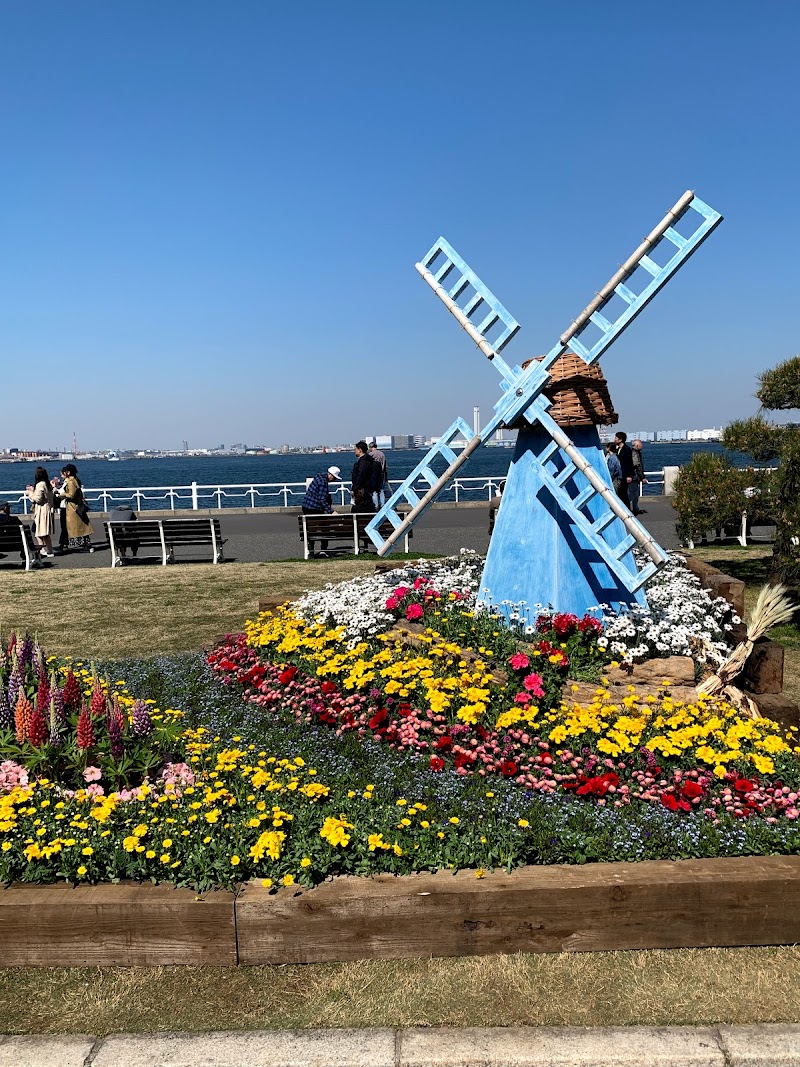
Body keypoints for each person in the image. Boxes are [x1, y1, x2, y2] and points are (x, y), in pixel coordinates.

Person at [301, 466, 342, 558]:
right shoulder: (323, 483)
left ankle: (310, 551)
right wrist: (331, 511)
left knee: (310, 530)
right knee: (325, 528)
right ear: (330, 475)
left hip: (306, 506)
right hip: (315, 508)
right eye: (334, 478)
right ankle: (323, 550)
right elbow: (322, 500)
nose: (334, 480)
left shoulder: (318, 477)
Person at [59, 463, 94, 552]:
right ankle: (86, 544)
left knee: (76, 526)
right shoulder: (75, 480)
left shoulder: (70, 482)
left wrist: (62, 494)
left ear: (68, 472)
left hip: (72, 507)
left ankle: (85, 545)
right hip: (76, 506)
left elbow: (71, 495)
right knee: (82, 525)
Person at [25, 467, 56, 556]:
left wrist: (30, 493)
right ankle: (50, 551)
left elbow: (38, 499)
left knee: (39, 533)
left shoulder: (40, 485)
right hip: (48, 509)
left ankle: (42, 550)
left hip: (42, 510)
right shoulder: (47, 484)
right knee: (45, 533)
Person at [351, 441, 376, 514]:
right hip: (365, 489)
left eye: (355, 449)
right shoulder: (367, 460)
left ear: (360, 450)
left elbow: (361, 476)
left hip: (362, 490)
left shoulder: (363, 462)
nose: (354, 451)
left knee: (361, 508)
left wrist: (355, 488)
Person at [614, 432, 635, 508]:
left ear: (620, 439)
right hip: (620, 475)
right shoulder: (618, 449)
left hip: (625, 475)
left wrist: (629, 475)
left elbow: (629, 463)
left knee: (623, 493)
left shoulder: (626, 450)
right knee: (620, 493)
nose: (614, 440)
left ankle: (627, 510)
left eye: (616, 438)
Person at [368, 441, 389, 509]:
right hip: (381, 474)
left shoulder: (370, 454)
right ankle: (382, 505)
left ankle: (376, 506)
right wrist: (386, 476)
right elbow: (385, 465)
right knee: (381, 490)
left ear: (371, 447)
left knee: (374, 491)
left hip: (373, 475)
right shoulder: (382, 454)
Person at [630, 439, 647, 516]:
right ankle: (624, 504)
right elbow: (637, 466)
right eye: (641, 445)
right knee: (633, 493)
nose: (642, 446)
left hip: (634, 476)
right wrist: (642, 477)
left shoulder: (635, 453)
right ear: (637, 445)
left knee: (635, 493)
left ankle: (635, 507)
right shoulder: (635, 454)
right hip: (634, 476)